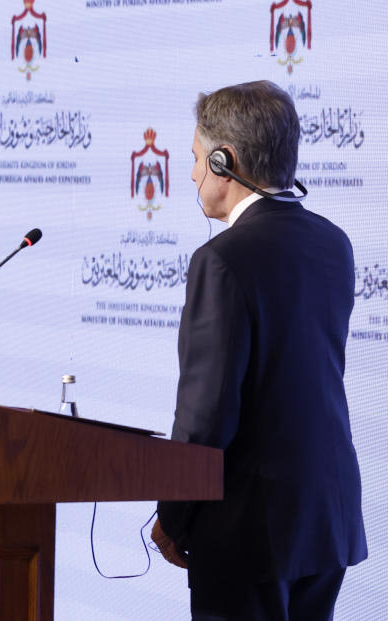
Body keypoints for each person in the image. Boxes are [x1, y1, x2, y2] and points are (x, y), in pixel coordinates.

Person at [151, 81, 367, 621]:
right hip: (325, 521)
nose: (195, 174)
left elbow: (206, 416)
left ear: (227, 160)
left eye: (199, 159)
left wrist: (174, 516)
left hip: (250, 529)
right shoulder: (333, 243)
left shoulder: (221, 259)